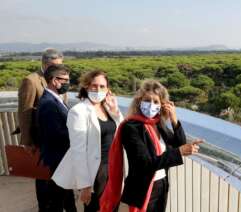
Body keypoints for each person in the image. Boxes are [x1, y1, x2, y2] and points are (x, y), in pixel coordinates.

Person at [100, 79, 203, 212]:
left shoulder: (157, 124)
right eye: (147, 100)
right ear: (139, 102)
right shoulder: (131, 127)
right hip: (142, 189)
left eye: (156, 102)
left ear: (162, 105)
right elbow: (144, 163)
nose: (151, 105)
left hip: (161, 184)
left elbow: (179, 144)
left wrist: (174, 119)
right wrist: (180, 152)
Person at [52, 70, 124, 212]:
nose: (98, 89)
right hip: (96, 173)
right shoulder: (78, 111)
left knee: (113, 207)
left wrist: (116, 111)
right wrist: (85, 185)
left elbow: (122, 132)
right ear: (86, 87)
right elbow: (78, 152)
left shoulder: (108, 107)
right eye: (94, 86)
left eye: (102, 86)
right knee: (96, 208)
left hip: (114, 168)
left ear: (108, 89)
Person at [16, 48, 65, 212]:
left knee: (57, 182)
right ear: (44, 63)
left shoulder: (60, 79)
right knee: (43, 181)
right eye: (54, 66)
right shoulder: (31, 81)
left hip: (57, 142)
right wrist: (27, 142)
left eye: (59, 66)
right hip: (40, 142)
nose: (57, 70)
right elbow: (25, 112)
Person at [36, 64, 77, 212]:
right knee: (57, 201)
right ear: (54, 80)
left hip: (60, 161)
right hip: (57, 161)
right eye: (65, 80)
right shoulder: (49, 104)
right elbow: (56, 135)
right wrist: (79, 135)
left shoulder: (54, 99)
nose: (67, 83)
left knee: (65, 199)